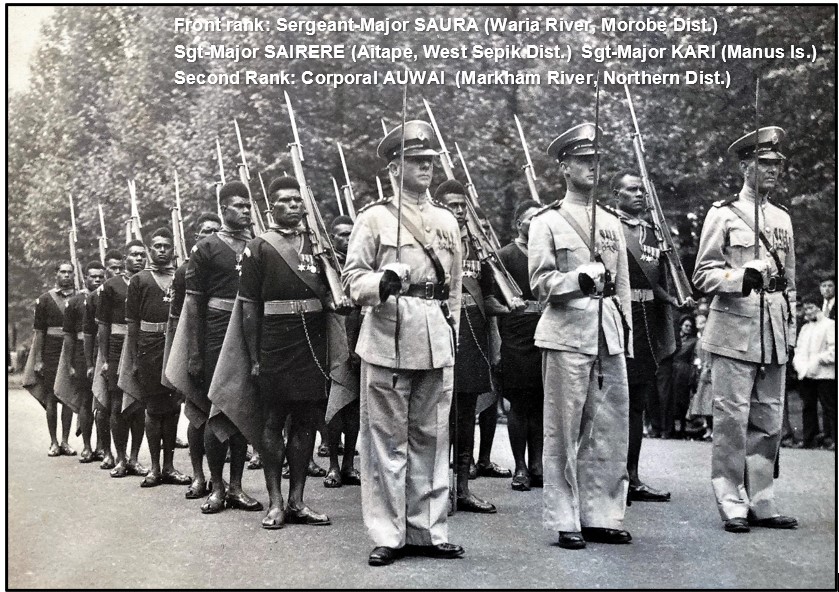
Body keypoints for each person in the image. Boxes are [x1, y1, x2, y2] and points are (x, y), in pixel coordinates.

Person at [342, 120, 464, 566]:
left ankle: (427, 530)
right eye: (416, 161)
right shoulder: (373, 218)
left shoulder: (447, 220)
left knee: (431, 439)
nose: (426, 167)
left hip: (434, 333)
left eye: (430, 160)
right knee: (385, 442)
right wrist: (384, 281)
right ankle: (388, 534)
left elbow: (452, 288)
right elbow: (351, 281)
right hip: (389, 334)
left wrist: (453, 333)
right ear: (395, 167)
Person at [529, 123, 633, 550]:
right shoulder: (547, 221)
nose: (592, 168)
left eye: (596, 161)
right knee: (564, 429)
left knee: (608, 428)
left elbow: (622, 285)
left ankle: (602, 514)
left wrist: (623, 330)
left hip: (607, 334)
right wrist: (577, 279)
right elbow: (539, 283)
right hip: (566, 333)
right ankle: (566, 517)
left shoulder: (611, 222)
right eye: (583, 161)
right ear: (564, 167)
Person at [692, 126, 797, 533]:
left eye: (777, 165)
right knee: (731, 419)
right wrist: (741, 276)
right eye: (765, 164)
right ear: (745, 166)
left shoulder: (783, 218)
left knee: (769, 420)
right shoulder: (723, 214)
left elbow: (790, 280)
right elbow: (703, 274)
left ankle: (761, 500)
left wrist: (788, 330)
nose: (773, 171)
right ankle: (731, 501)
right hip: (734, 329)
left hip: (772, 330)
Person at [239, 175, 334, 529]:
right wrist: (254, 356)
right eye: (286, 201)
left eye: (298, 200)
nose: (294, 205)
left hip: (312, 338)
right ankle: (275, 502)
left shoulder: (317, 243)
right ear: (271, 208)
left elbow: (333, 291)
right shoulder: (259, 246)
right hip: (275, 341)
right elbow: (249, 306)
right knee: (273, 421)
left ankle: (297, 500)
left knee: (307, 420)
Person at [179, 185, 262, 511]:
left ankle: (237, 487)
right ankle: (216, 487)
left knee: (240, 409)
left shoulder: (257, 247)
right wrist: (195, 353)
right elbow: (193, 306)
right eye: (238, 206)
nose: (245, 211)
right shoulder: (205, 248)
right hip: (214, 335)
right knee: (216, 411)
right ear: (224, 208)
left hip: (247, 333)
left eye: (247, 206)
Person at [437, 179, 504, 514]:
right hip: (440, 331)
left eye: (463, 206)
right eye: (452, 205)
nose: (460, 212)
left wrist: (507, 305)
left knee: (465, 416)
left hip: (473, 336)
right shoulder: (431, 241)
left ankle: (462, 488)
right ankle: (436, 490)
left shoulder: (479, 246)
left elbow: (489, 292)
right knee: (436, 417)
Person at [612, 171, 677, 501]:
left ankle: (632, 475)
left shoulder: (654, 233)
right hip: (618, 321)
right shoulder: (609, 227)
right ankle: (607, 476)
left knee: (637, 402)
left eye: (642, 190)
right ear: (617, 194)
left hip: (647, 325)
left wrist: (677, 298)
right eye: (631, 190)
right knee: (611, 402)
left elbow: (661, 285)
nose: (639, 194)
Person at [122, 227, 191, 488]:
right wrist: (134, 361)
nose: (162, 250)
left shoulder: (182, 276)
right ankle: (153, 467)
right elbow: (132, 324)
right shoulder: (139, 280)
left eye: (166, 246)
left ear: (173, 250)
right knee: (153, 408)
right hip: (148, 346)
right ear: (151, 250)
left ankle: (170, 466)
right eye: (157, 246)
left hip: (174, 344)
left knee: (173, 407)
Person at [166, 211, 221, 497]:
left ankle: (223, 482)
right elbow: (178, 320)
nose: (211, 235)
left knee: (224, 415)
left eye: (216, 230)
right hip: (195, 347)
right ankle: (199, 476)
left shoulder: (231, 264)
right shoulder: (183, 272)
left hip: (223, 344)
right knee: (197, 414)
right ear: (196, 238)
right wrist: (187, 356)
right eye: (205, 231)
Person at [497, 199, 544, 491]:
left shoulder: (547, 254)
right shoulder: (505, 255)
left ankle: (538, 464)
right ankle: (521, 467)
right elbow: (494, 298)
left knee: (540, 401)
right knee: (519, 402)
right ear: (519, 224)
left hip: (545, 331)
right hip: (516, 334)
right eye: (531, 219)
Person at [97, 240, 149, 478]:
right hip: (118, 345)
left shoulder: (149, 281)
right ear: (126, 259)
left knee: (138, 405)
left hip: (145, 345)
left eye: (142, 255)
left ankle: (136, 458)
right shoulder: (111, 286)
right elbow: (104, 326)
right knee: (117, 403)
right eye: (134, 255)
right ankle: (120, 458)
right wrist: (106, 358)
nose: (139, 259)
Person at [22, 262, 78, 456]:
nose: (66, 276)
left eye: (69, 272)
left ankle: (65, 441)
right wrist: (38, 360)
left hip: (74, 351)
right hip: (51, 351)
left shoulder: (80, 298)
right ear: (56, 274)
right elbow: (39, 333)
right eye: (62, 272)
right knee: (52, 397)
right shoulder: (45, 300)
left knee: (69, 396)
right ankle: (53, 442)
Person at [323, 215, 362, 488]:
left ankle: (349, 463)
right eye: (341, 235)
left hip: (361, 337)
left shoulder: (362, 265)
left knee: (355, 409)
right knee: (335, 406)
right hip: (335, 338)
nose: (346, 240)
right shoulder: (327, 265)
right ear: (332, 238)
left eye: (351, 235)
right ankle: (333, 466)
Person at [60, 260, 107, 463]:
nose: (96, 280)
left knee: (104, 402)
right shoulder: (75, 302)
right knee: (86, 402)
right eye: (92, 276)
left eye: (100, 277)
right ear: (85, 278)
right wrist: (69, 363)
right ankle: (87, 446)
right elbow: (69, 336)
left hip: (104, 351)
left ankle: (102, 447)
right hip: (82, 354)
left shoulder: (108, 297)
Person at [85, 250, 125, 469]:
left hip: (121, 351)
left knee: (121, 405)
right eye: (112, 268)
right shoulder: (94, 297)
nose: (116, 272)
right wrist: (92, 363)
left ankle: (122, 454)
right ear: (105, 268)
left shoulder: (125, 290)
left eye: (120, 268)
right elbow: (90, 333)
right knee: (102, 404)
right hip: (102, 354)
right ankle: (105, 450)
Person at [793, 294, 836, 450]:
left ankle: (833, 439)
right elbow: (799, 349)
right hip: (806, 373)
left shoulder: (830, 325)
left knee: (829, 406)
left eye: (811, 308)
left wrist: (818, 360)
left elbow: (833, 350)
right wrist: (798, 364)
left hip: (824, 374)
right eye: (806, 309)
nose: (808, 311)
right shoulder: (805, 327)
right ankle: (809, 438)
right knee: (808, 406)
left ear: (819, 308)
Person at [671, 316, 698, 438]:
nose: (688, 328)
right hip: (672, 369)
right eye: (686, 325)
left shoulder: (693, 341)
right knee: (672, 398)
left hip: (684, 371)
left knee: (683, 399)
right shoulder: (675, 338)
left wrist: (692, 374)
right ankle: (672, 427)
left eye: (690, 326)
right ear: (681, 325)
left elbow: (693, 358)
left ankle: (682, 427)